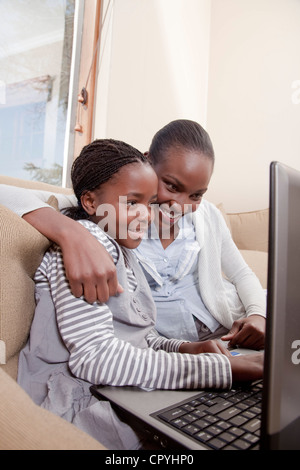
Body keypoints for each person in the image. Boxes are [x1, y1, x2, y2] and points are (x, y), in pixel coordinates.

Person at [12, 138, 263, 450]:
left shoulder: (122, 247)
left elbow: (138, 337)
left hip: (114, 385)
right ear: (90, 203)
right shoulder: (87, 248)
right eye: (132, 203)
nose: (146, 216)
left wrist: (185, 348)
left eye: (150, 203)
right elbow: (96, 359)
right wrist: (221, 369)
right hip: (77, 400)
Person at [0, 120, 266, 349]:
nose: (181, 205)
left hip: (230, 331)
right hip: (170, 347)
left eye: (196, 195)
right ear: (148, 161)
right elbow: (7, 193)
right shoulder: (113, 211)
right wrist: (71, 233)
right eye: (172, 186)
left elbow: (241, 274)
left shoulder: (207, 216)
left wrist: (257, 315)